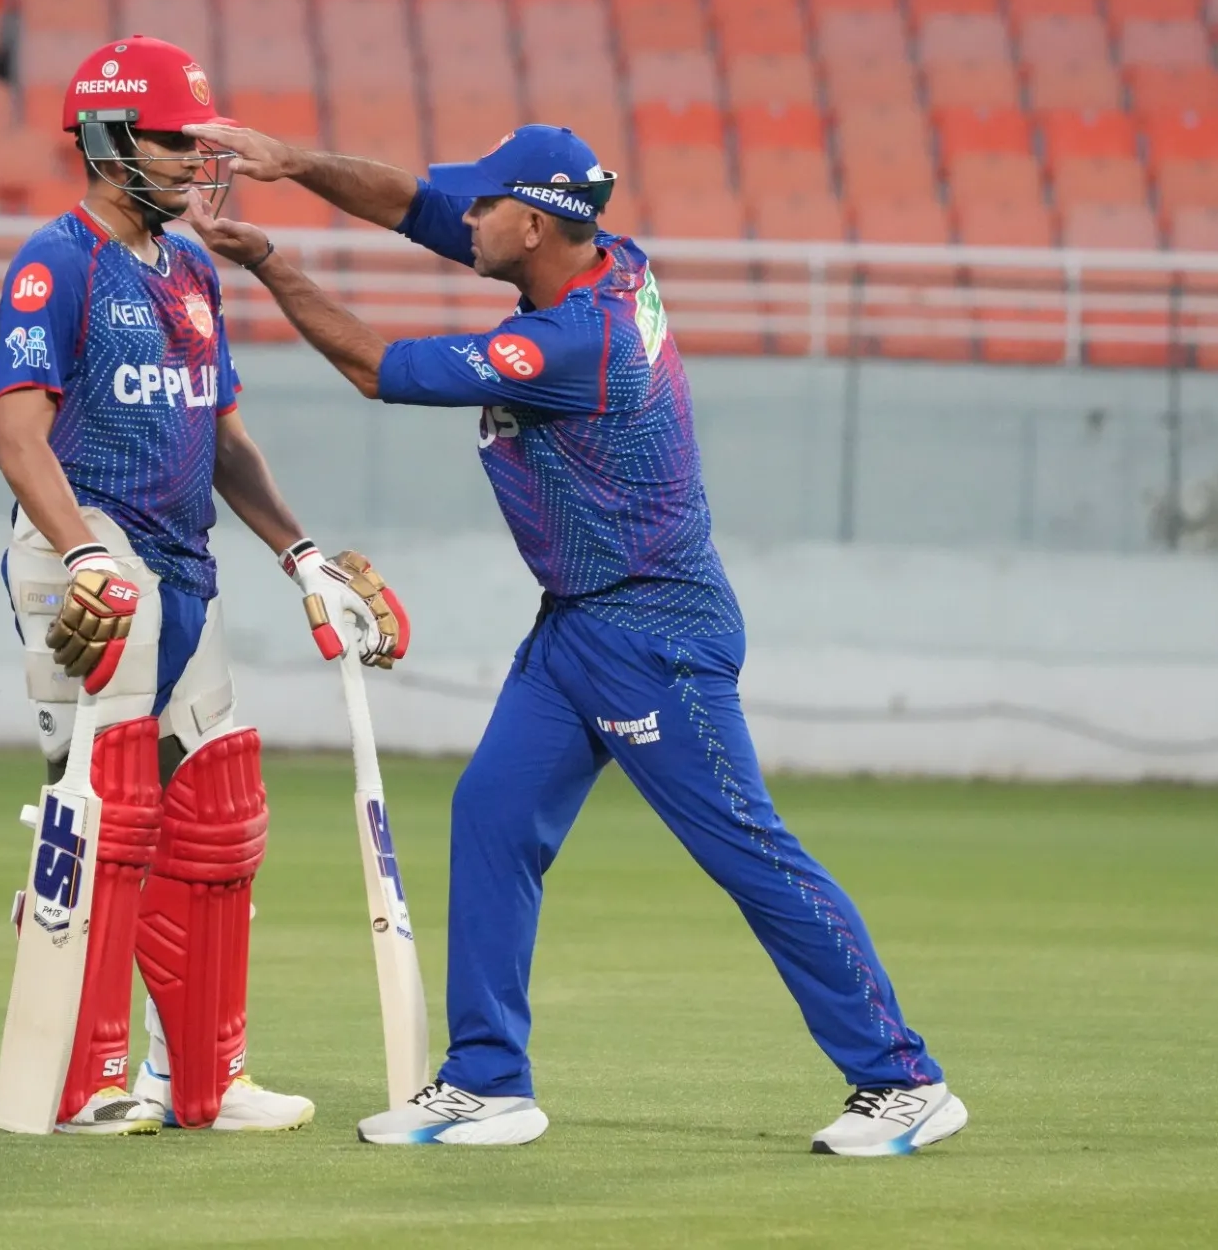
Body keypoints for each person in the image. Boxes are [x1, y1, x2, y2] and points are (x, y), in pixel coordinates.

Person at [175, 120, 964, 1157]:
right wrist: (296, 163)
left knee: (748, 851)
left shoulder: (571, 343)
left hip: (652, 627)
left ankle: (902, 1077)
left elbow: (377, 369)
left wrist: (268, 260)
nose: (467, 217)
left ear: (536, 223)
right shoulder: (589, 260)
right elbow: (415, 203)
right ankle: (488, 1080)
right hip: (580, 620)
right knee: (493, 815)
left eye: (488, 204)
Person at [0, 35, 410, 1138]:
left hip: (184, 562)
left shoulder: (188, 268)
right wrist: (83, 554)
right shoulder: (56, 261)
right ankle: (81, 1078)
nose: (194, 162)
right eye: (177, 142)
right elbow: (20, 440)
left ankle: (204, 1082)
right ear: (109, 136)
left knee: (217, 814)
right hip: (89, 558)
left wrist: (301, 551)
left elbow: (221, 439)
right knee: (108, 808)